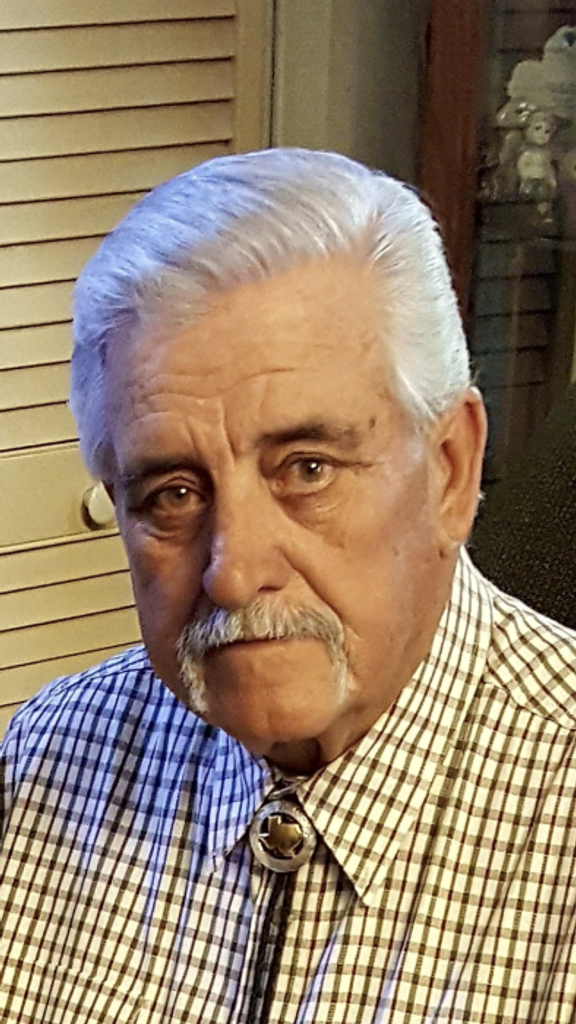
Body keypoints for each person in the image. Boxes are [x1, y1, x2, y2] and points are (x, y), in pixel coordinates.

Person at [1, 149, 575, 1024]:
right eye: (173, 495)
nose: (234, 574)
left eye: (308, 469)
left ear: (451, 469)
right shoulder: (48, 759)